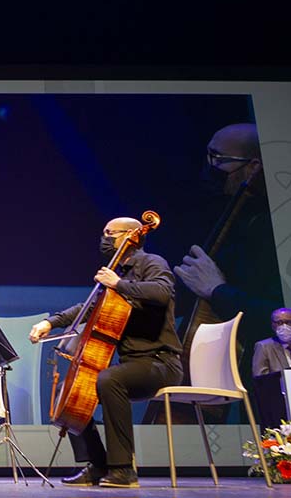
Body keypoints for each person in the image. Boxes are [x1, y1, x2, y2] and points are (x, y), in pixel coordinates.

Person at [28, 217, 183, 489]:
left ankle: (123, 469)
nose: (104, 238)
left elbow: (162, 292)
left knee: (109, 379)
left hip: (161, 362)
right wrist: (50, 322)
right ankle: (98, 464)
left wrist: (118, 284)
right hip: (131, 364)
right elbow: (88, 308)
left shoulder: (151, 263)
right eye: (103, 233)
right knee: (74, 390)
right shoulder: (116, 271)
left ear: (131, 236)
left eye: (110, 233)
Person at [167, 123, 284, 422]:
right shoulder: (231, 213)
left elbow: (275, 313)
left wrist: (217, 291)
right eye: (208, 156)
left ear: (254, 167)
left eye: (219, 159)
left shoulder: (275, 227)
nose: (211, 167)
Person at [253, 308, 291, 377]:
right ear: (273, 326)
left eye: (288, 322)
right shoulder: (264, 347)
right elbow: (261, 379)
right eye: (279, 323)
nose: (284, 326)